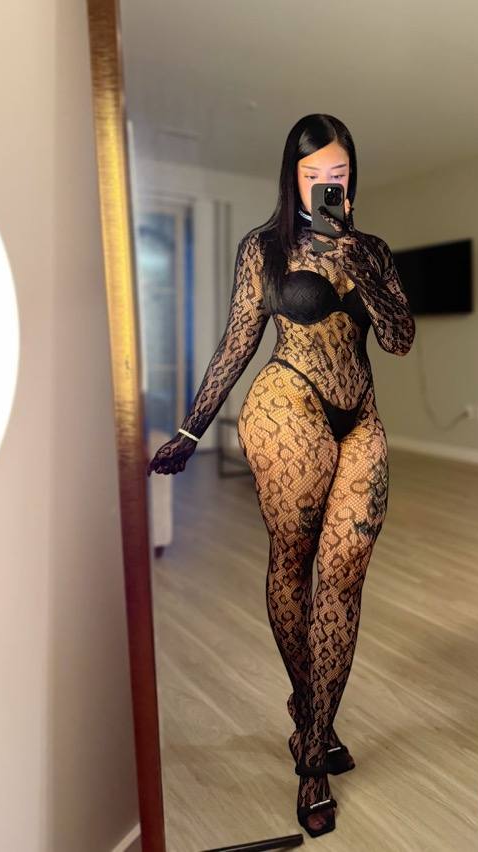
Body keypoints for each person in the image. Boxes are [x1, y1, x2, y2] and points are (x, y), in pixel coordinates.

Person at [148, 113, 416, 838]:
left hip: (360, 415)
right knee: (294, 561)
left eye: (339, 175)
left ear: (352, 178)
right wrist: (191, 428)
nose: (329, 186)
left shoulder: (372, 250)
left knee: (345, 574)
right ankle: (313, 745)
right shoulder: (263, 249)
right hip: (287, 401)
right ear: (292, 178)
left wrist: (362, 266)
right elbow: (238, 341)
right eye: (314, 175)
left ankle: (312, 730)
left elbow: (398, 340)